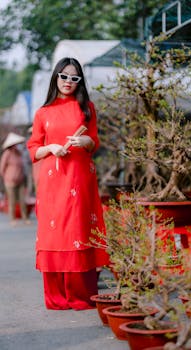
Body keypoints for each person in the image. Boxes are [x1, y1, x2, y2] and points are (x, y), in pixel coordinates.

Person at [27, 57, 109, 310]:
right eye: (64, 76)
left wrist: (84, 143)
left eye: (74, 78)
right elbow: (33, 148)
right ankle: (57, 296)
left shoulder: (87, 108)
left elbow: (94, 141)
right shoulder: (43, 112)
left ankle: (81, 294)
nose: (68, 82)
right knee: (54, 231)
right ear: (56, 77)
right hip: (53, 178)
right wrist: (50, 147)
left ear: (80, 81)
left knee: (77, 228)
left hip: (80, 176)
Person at [0, 132, 30, 226]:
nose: (16, 146)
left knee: (22, 200)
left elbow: (22, 165)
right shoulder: (7, 154)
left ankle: (25, 218)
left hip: (20, 180)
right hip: (10, 182)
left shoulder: (18, 153)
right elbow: (2, 168)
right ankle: (12, 219)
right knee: (12, 200)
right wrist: (7, 178)